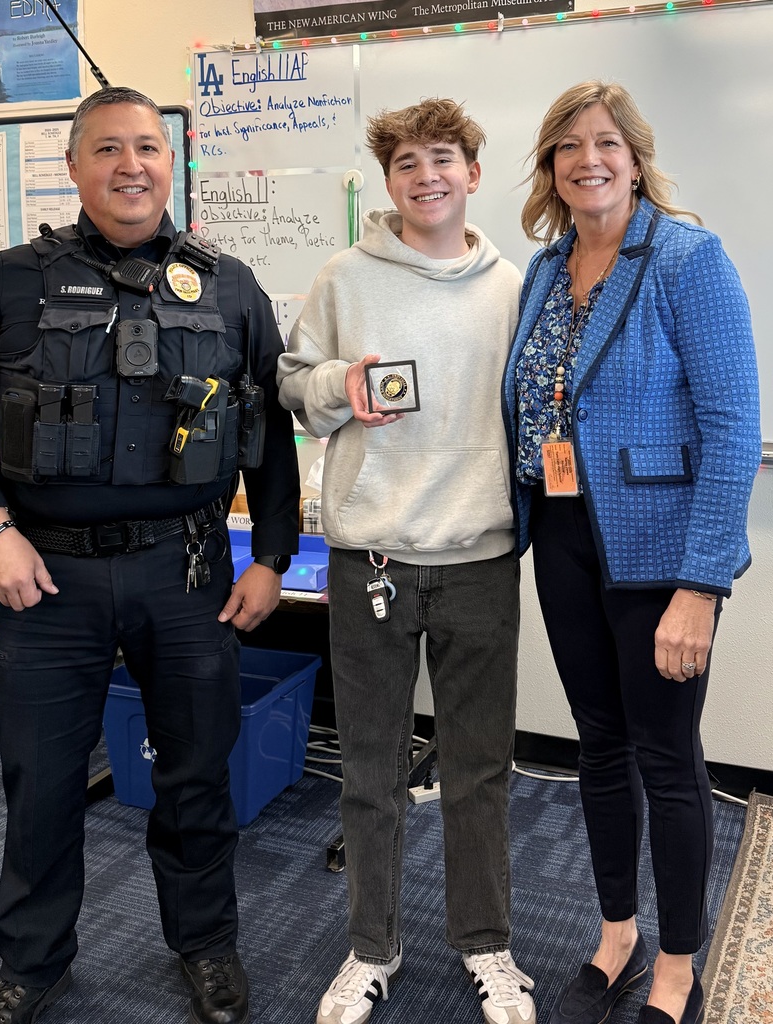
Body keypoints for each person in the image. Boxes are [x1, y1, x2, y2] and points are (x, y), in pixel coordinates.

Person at [0, 86, 300, 1024]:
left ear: (171, 163)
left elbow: (273, 434)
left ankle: (204, 945)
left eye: (147, 149)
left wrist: (272, 557)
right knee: (41, 785)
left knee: (196, 775)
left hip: (189, 576)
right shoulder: (10, 282)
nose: (131, 166)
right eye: (108, 150)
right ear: (75, 166)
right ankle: (32, 963)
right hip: (45, 578)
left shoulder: (230, 285)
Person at [502, 81, 760, 1024]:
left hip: (658, 552)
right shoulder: (544, 267)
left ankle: (677, 965)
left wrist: (700, 587)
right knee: (597, 748)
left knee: (665, 756)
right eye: (566, 146)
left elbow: (733, 428)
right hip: (563, 535)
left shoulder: (686, 258)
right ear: (549, 168)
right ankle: (616, 933)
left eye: (604, 142)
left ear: (636, 155)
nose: (586, 160)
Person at [278, 98, 535, 1024]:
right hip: (370, 561)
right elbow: (293, 385)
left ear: (472, 170)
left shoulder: (517, 284)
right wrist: (339, 388)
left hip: (480, 559)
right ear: (386, 183)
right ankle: (368, 950)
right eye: (405, 165)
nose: (425, 176)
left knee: (477, 770)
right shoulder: (346, 276)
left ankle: (489, 947)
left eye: (442, 159)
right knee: (369, 771)